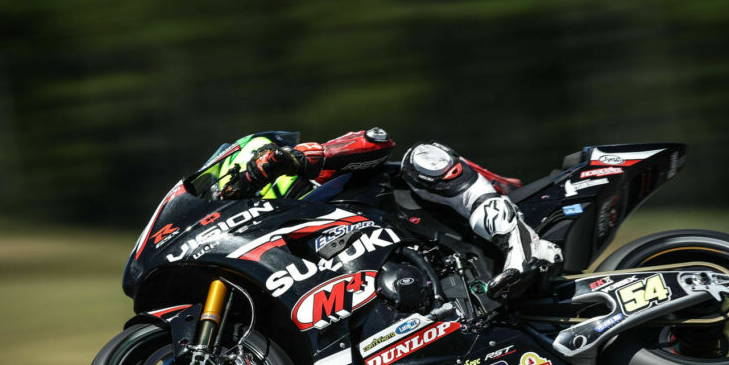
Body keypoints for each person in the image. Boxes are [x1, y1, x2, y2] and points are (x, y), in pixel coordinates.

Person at [219, 127, 561, 298]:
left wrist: (296, 160)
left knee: (421, 158)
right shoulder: (288, 235)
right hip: (443, 286)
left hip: (479, 217)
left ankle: (525, 250)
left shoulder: (323, 179)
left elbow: (376, 139)